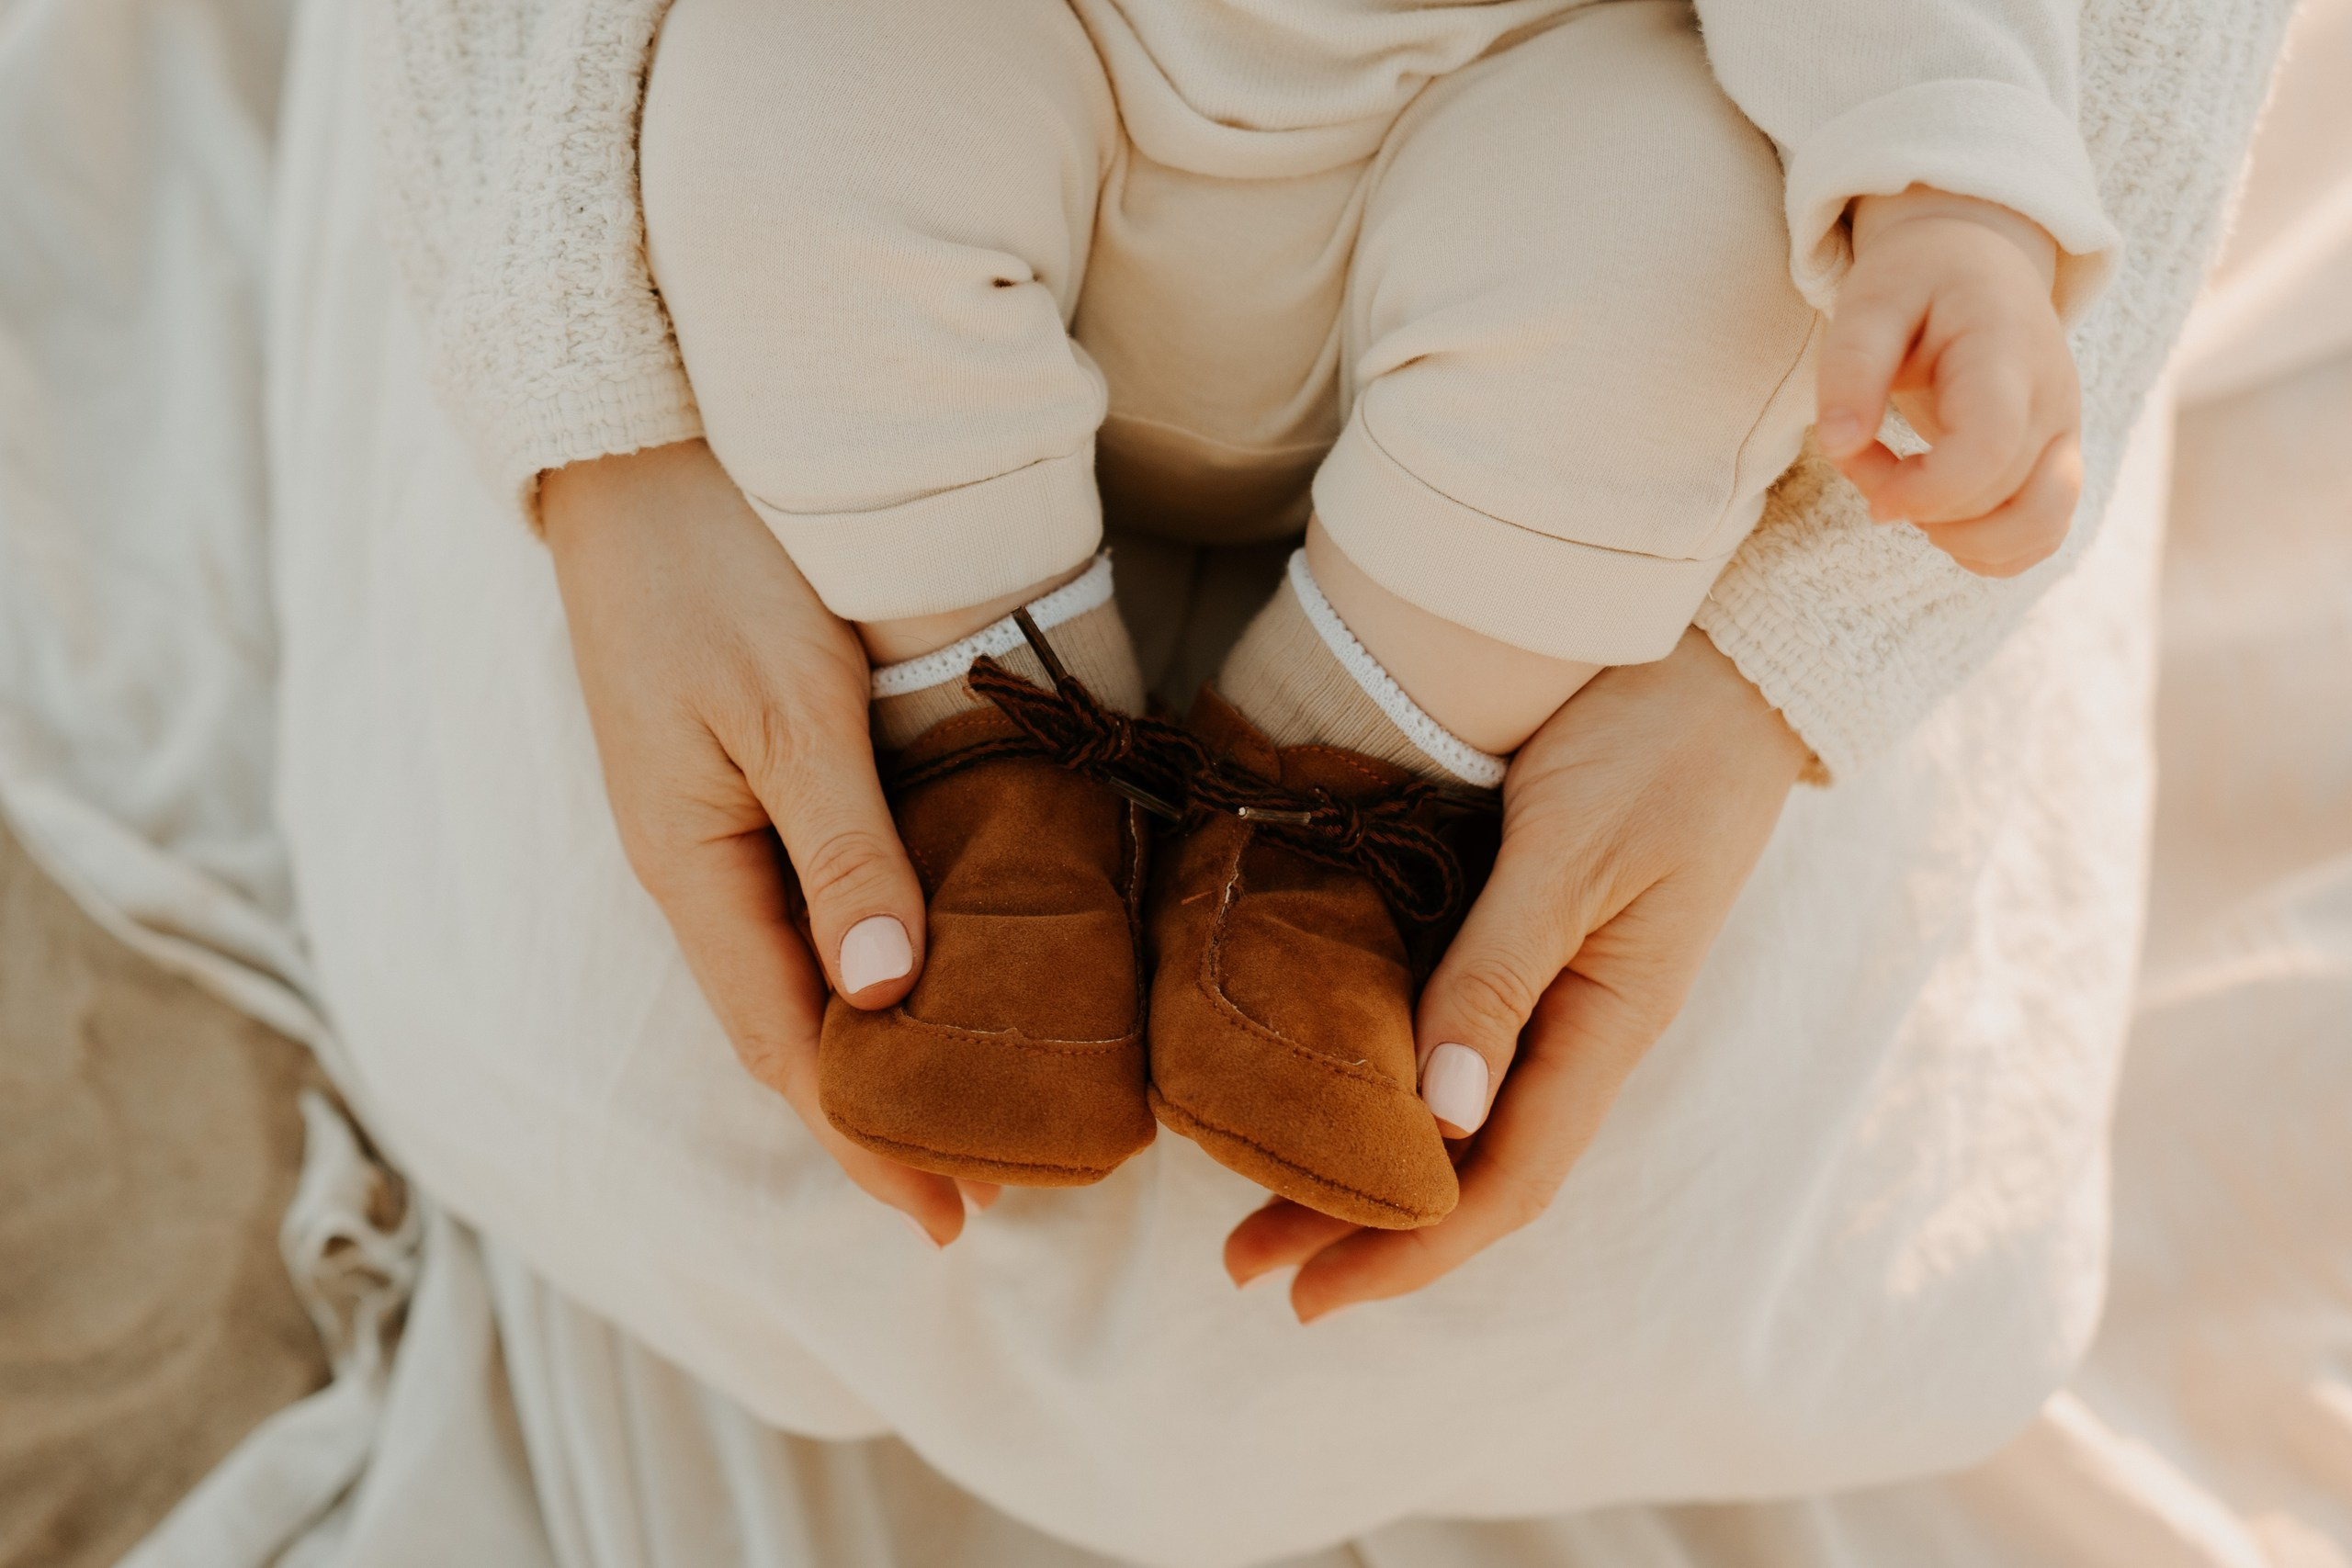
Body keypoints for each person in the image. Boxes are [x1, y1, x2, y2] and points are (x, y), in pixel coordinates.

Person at [621, 0, 2111, 1227]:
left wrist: (1954, 198)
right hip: (1044, 54)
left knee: (1708, 233)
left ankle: (1332, 790)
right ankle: (997, 735)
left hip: (1519, 102)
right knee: (786, 67)